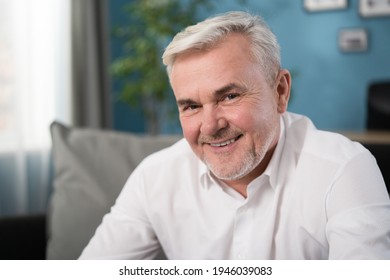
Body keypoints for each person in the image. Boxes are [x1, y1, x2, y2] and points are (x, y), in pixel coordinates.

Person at [79, 11, 390, 260]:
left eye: (229, 97)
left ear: (280, 92)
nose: (210, 126)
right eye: (191, 106)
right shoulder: (155, 177)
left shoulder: (343, 169)